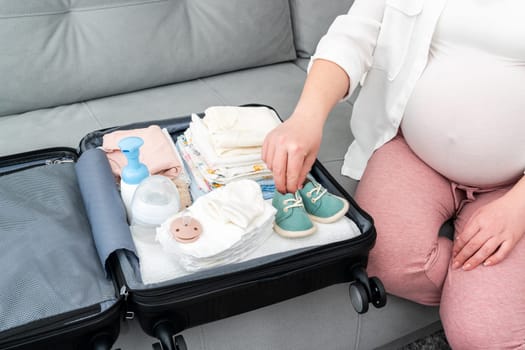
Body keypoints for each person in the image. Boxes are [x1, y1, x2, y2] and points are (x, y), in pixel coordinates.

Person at [262, 0, 525, 348]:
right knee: (379, 256)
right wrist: (307, 117)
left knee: (480, 336)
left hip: (513, 187)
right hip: (414, 151)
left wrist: (517, 209)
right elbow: (355, 34)